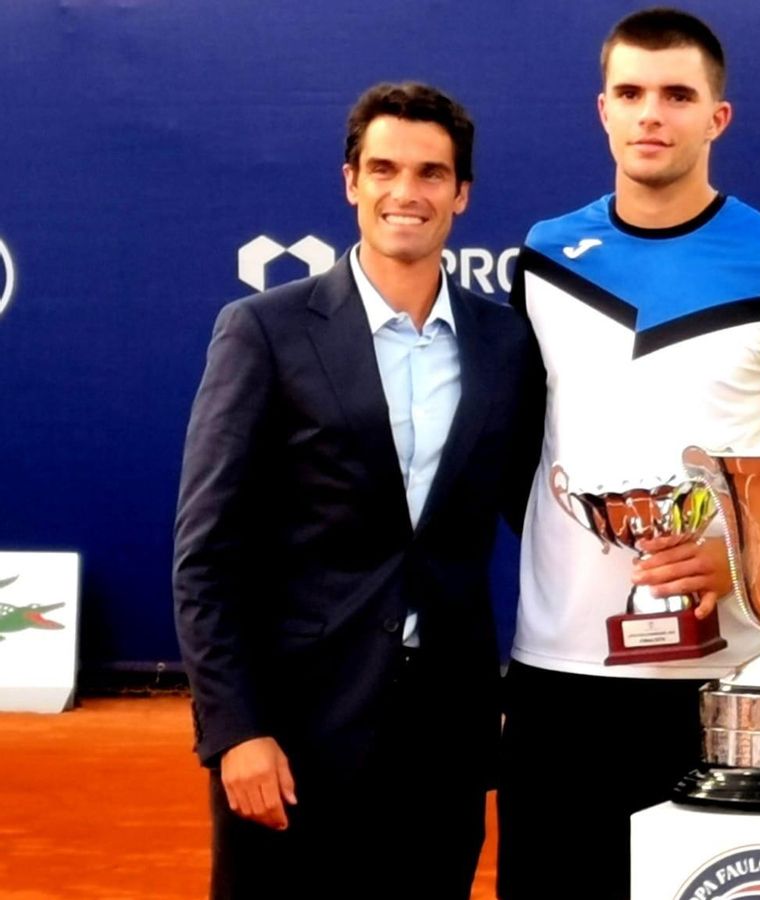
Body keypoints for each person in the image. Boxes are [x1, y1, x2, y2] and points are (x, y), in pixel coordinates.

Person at [496, 9, 760, 899]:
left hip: (726, 677)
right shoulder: (544, 257)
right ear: (603, 111)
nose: (651, 114)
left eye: (676, 95)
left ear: (716, 118)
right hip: (560, 674)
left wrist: (746, 560)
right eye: (631, 93)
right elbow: (515, 454)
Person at [173, 82, 542, 900]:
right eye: (383, 169)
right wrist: (237, 732)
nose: (405, 193)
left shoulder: (507, 343)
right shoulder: (264, 329)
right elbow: (207, 554)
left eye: (430, 174)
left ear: (462, 194)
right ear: (351, 181)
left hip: (444, 736)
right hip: (296, 731)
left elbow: (537, 509)